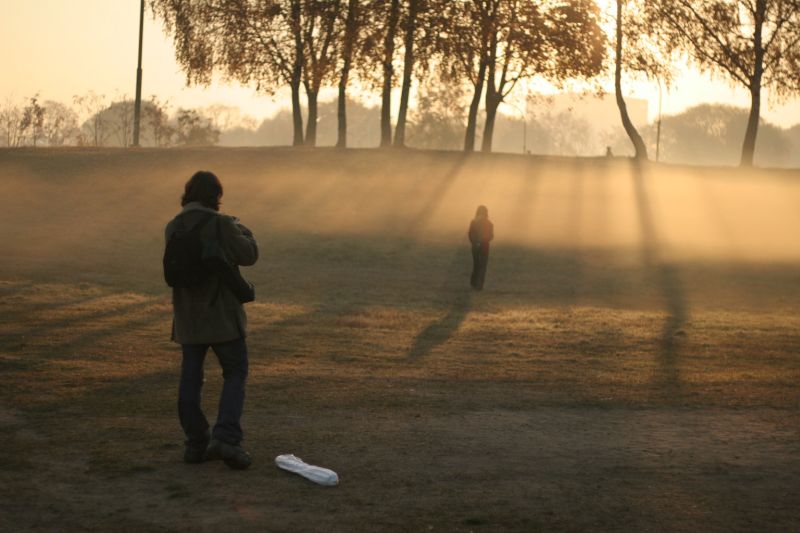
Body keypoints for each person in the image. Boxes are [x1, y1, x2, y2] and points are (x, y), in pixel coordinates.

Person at [164, 171, 259, 469]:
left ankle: (195, 443)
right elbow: (249, 255)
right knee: (235, 373)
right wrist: (242, 229)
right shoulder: (220, 223)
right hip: (221, 317)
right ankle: (226, 439)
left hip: (188, 318)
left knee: (190, 379)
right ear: (215, 195)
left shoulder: (173, 226)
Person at [468, 205, 494, 290]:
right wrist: (485, 239)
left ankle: (474, 282)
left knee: (476, 264)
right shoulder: (489, 223)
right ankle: (479, 285)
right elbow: (491, 236)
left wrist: (475, 242)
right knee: (483, 265)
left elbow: (471, 234)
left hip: (475, 246)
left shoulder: (474, 222)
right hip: (485, 246)